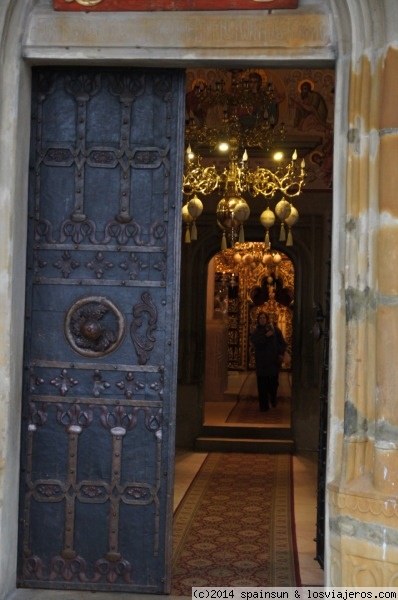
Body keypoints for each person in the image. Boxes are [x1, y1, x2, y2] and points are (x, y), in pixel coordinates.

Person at [250, 312, 287, 412]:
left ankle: (273, 397)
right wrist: (266, 336)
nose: (262, 319)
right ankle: (263, 406)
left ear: (267, 319)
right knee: (262, 385)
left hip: (273, 363)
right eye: (260, 318)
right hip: (261, 363)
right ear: (258, 320)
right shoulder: (256, 331)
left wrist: (280, 353)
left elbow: (282, 343)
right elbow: (255, 342)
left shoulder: (276, 330)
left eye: (264, 318)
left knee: (273, 384)